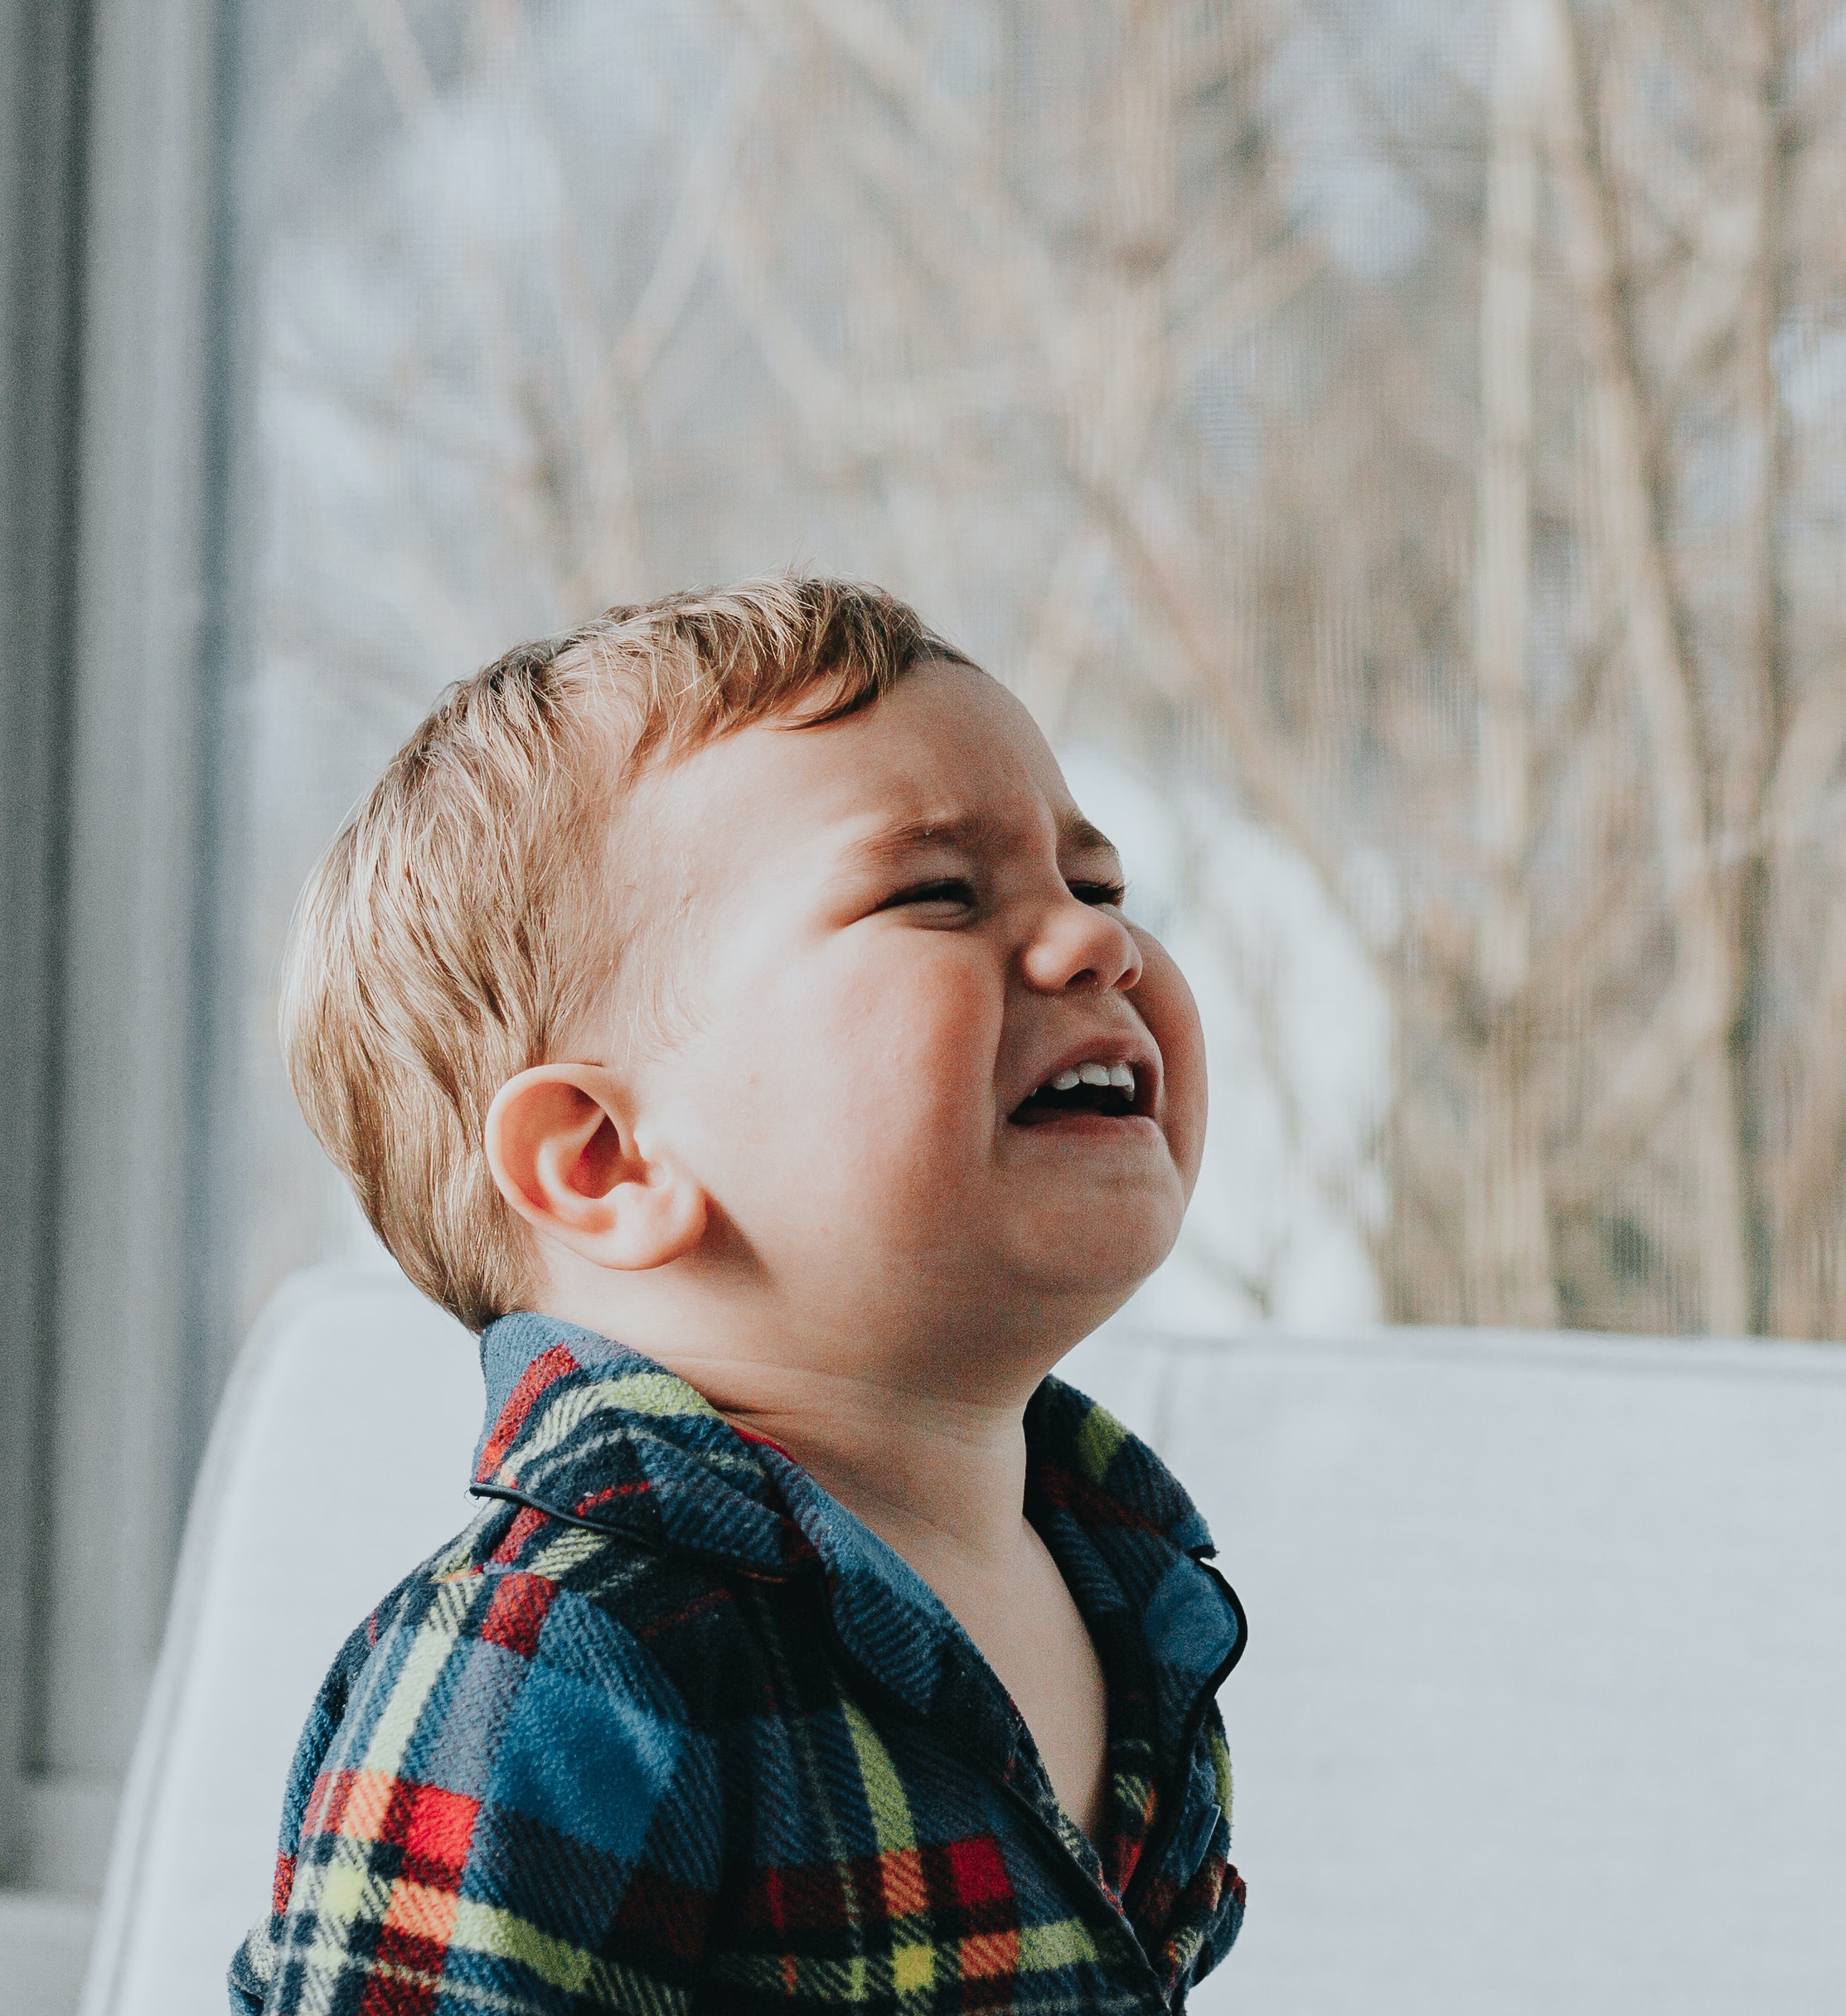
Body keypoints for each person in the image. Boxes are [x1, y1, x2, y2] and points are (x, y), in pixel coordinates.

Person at [232, 576, 1246, 2014]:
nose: (1100, 946)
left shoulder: (1126, 1594)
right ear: (605, 1158)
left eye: (1096, 886)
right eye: (937, 894)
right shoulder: (552, 1652)